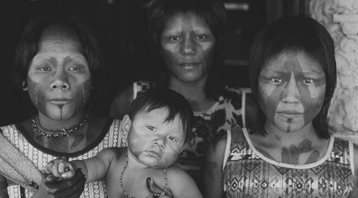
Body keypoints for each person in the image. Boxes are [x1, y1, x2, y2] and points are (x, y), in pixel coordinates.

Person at [202, 16, 358, 198]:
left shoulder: (353, 162)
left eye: (308, 81)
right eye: (276, 80)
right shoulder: (225, 151)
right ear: (255, 81)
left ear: (329, 85)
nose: (290, 97)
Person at [109, 0, 253, 186]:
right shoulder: (132, 99)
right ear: (157, 42)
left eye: (201, 37)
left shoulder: (244, 110)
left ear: (218, 42)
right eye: (173, 38)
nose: (187, 49)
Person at [0, 16, 127, 198]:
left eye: (74, 68)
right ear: (23, 80)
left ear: (93, 78)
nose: (59, 81)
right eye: (44, 68)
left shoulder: (128, 138)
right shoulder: (3, 147)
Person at [44, 88, 203, 198]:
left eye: (172, 138)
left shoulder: (176, 178)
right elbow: (86, 169)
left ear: (182, 148)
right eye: (151, 128)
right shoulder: (112, 158)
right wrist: (67, 169)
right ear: (126, 126)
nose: (160, 142)